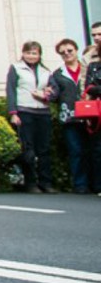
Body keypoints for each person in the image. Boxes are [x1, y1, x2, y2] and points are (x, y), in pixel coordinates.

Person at [47, 38, 97, 194]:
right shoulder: (57, 74)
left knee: (94, 151)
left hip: (91, 116)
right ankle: (80, 184)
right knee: (76, 151)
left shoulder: (89, 68)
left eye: (69, 50)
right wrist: (47, 94)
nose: (67, 54)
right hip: (70, 117)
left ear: (76, 50)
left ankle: (96, 184)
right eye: (62, 52)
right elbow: (54, 96)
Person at [6, 41, 54, 194]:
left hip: (43, 112)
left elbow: (53, 90)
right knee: (28, 149)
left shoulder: (46, 71)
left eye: (35, 53)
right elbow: (11, 90)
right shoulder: (16, 68)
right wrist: (13, 113)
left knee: (44, 149)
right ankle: (31, 183)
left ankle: (46, 182)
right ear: (23, 53)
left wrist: (48, 95)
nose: (31, 56)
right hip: (25, 111)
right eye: (28, 53)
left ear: (39, 55)